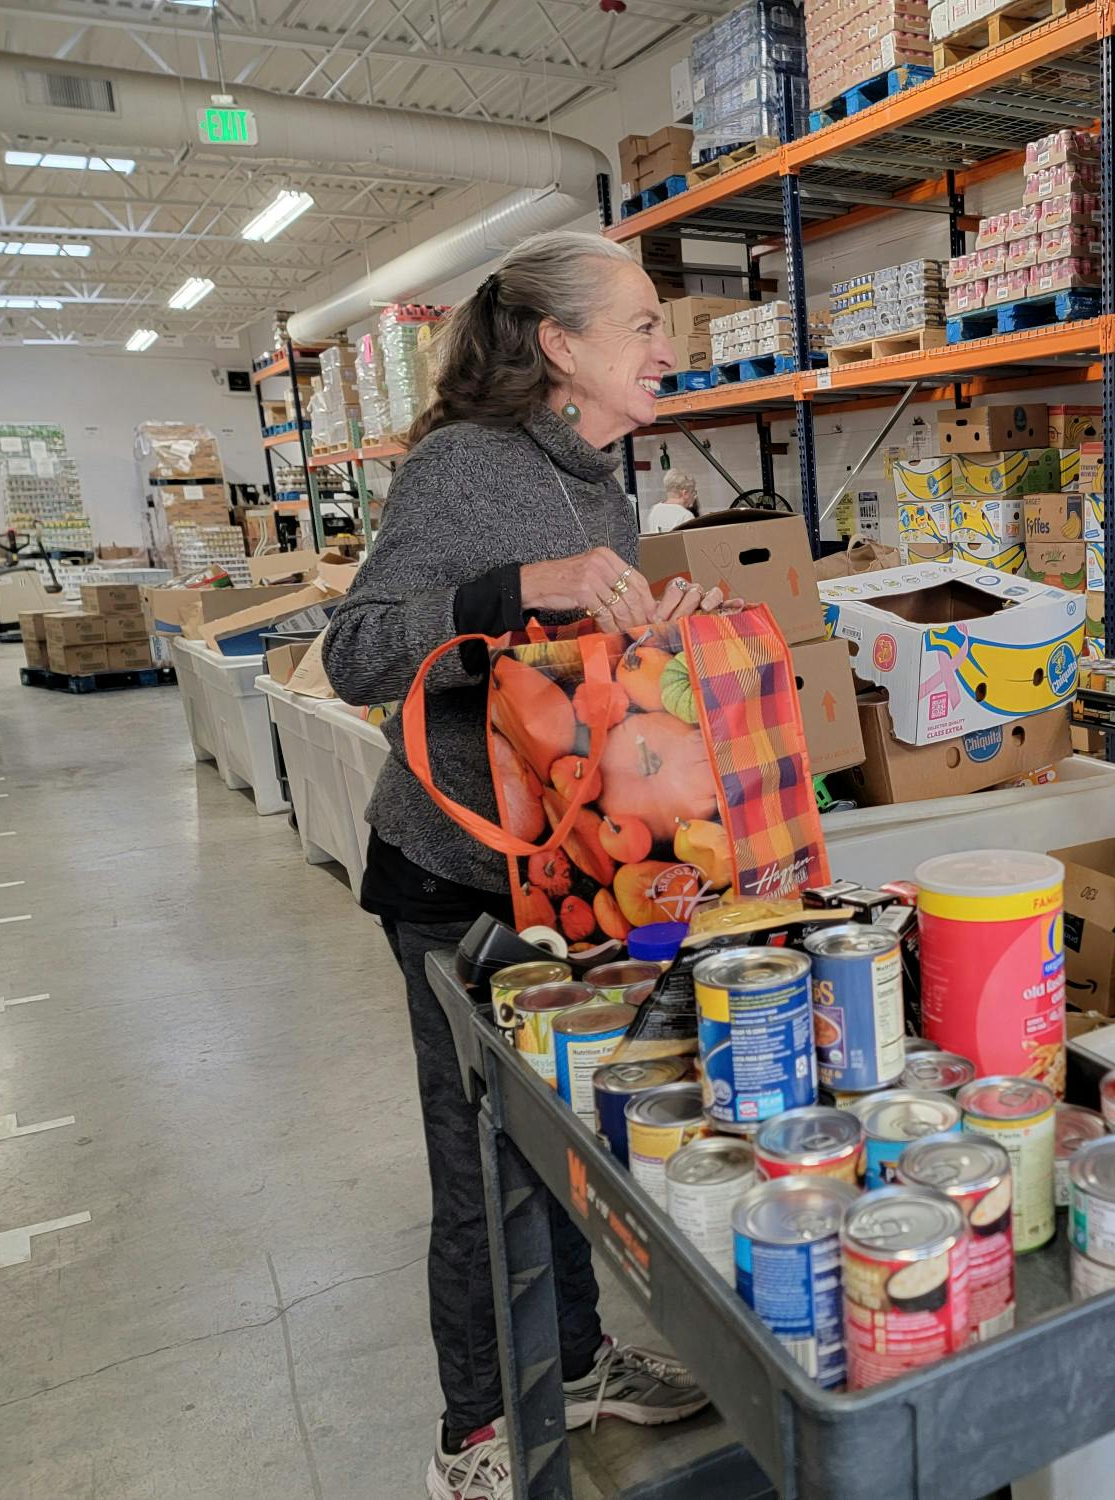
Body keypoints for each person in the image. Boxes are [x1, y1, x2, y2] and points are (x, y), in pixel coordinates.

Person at [324, 229, 727, 1500]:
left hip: (566, 878)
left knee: (558, 1148)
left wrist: (645, 641)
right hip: (453, 881)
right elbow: (359, 653)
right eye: (646, 323)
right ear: (562, 347)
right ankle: (480, 1430)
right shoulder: (458, 467)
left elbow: (556, 681)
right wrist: (508, 586)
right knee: (479, 1161)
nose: (670, 346)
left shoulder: (605, 477)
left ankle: (580, 1360)